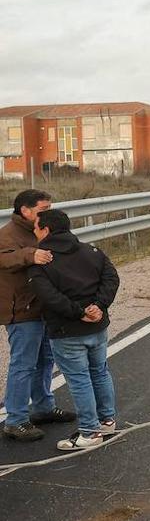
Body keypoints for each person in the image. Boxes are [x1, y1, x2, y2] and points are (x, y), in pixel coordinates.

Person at [27, 209, 120, 451]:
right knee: (100, 372)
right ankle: (107, 421)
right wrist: (98, 307)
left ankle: (90, 432)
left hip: (67, 331)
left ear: (46, 230)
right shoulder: (93, 252)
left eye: (36, 227)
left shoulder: (42, 262)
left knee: (80, 380)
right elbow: (111, 279)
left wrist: (79, 313)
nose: (34, 232)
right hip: (97, 327)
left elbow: (49, 297)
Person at [1, 189, 75, 441]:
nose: (48, 213)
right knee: (23, 364)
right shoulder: (8, 234)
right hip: (22, 310)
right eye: (43, 209)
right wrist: (31, 254)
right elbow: (5, 259)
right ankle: (16, 419)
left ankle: (42, 407)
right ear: (25, 210)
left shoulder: (43, 228)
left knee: (45, 360)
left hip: (43, 307)